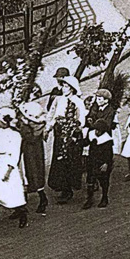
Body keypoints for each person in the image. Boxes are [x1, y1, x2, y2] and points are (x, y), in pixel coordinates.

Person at [46, 75, 87, 204]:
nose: (63, 89)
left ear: (72, 88)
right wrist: (49, 127)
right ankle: (62, 186)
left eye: (66, 86)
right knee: (59, 160)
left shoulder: (78, 101)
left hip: (71, 136)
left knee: (69, 161)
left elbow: (81, 119)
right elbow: (54, 115)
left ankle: (68, 189)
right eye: (63, 86)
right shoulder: (60, 100)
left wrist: (73, 128)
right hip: (60, 134)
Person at [18, 101, 48, 215]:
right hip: (32, 153)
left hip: (29, 154)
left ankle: (40, 199)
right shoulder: (37, 127)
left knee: (30, 175)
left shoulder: (27, 128)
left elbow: (29, 138)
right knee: (32, 175)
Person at [83, 118, 115, 209]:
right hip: (92, 161)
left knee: (103, 181)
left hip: (102, 163)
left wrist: (106, 163)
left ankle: (104, 198)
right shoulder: (91, 134)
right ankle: (89, 199)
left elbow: (109, 154)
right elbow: (85, 142)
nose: (97, 132)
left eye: (99, 130)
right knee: (90, 180)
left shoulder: (107, 140)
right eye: (96, 129)